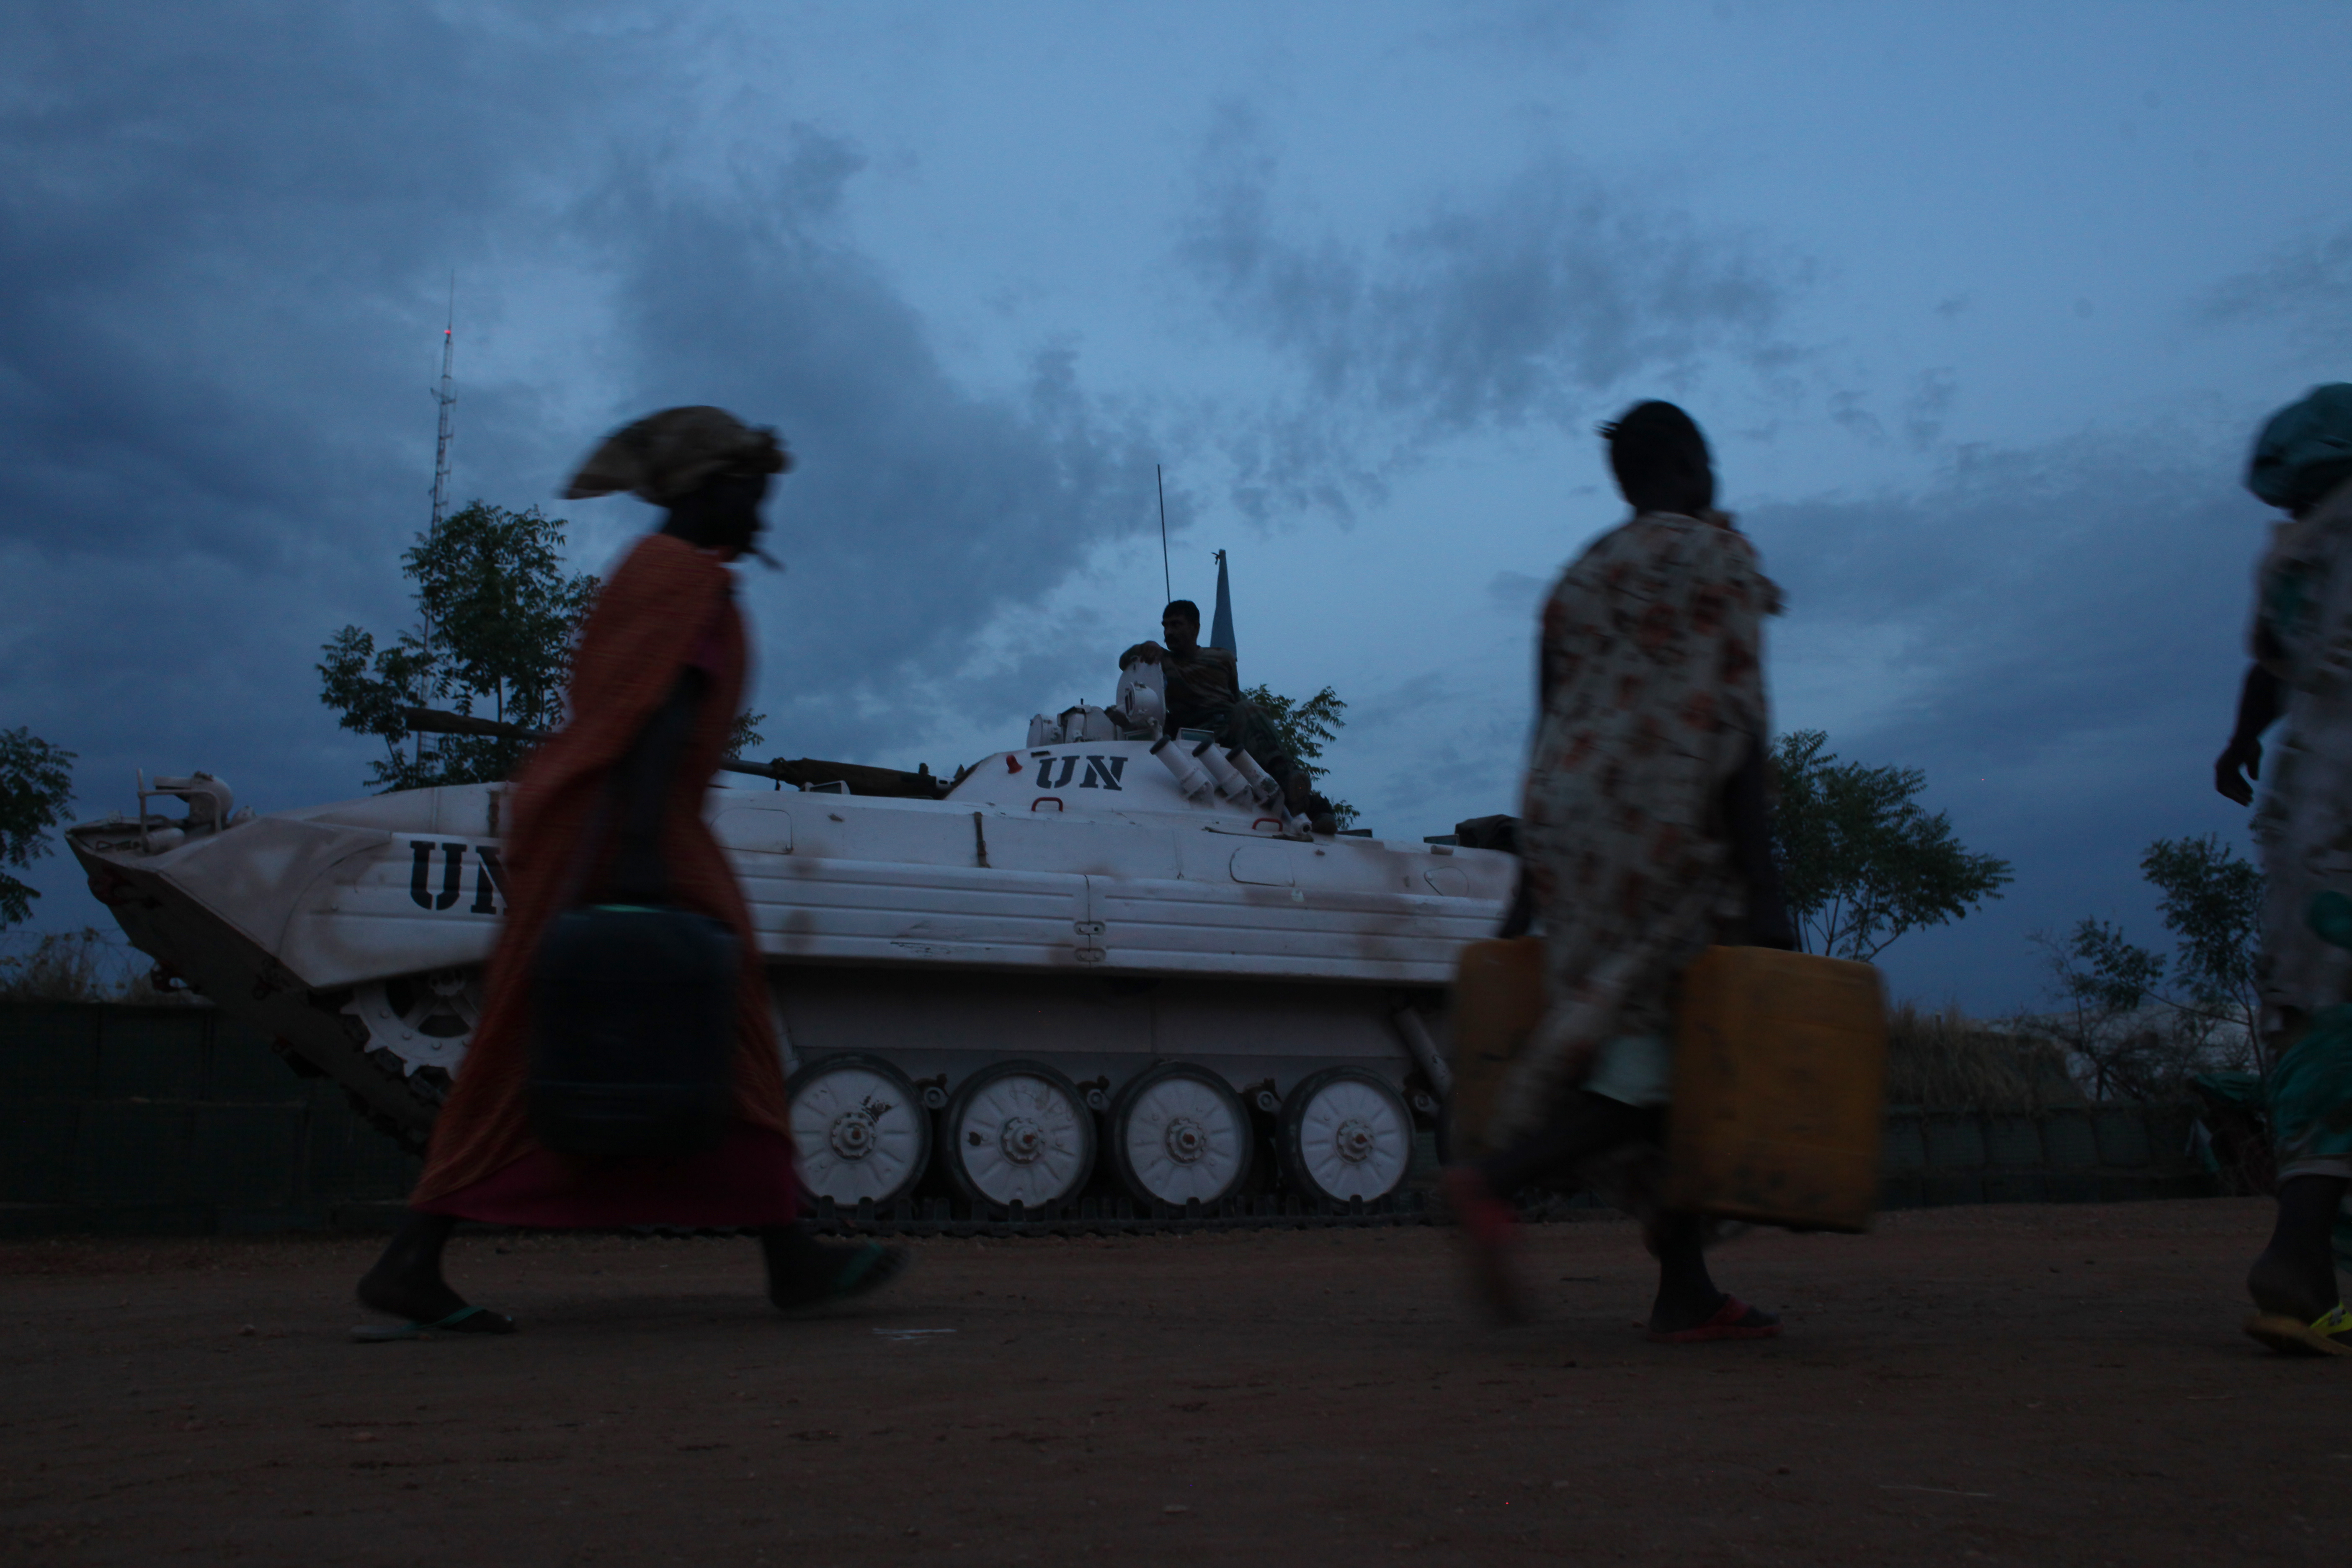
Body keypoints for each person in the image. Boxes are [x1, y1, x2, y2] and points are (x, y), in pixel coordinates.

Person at [354, 406, 907, 1339]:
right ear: (707, 488)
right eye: (751, 492)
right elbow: (657, 717)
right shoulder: (685, 581)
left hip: (601, 823)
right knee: (683, 1030)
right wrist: (646, 856)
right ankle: (789, 1259)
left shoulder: (658, 574)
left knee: (566, 1042)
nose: (762, 513)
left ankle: (788, 1252)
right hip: (624, 828)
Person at [1442, 400, 1792, 1340]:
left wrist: (1527, 884)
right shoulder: (1718, 559)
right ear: (1689, 467)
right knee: (1659, 1066)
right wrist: (1763, 881)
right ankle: (1494, 1182)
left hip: (1575, 835)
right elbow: (1734, 723)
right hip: (1668, 827)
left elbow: (1545, 731)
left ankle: (1685, 1290)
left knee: (1635, 1040)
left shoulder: (1576, 581)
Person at [2216, 384, 2352, 1356]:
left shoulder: (2292, 553)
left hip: (2305, 810)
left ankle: (2304, 1263)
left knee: (2317, 1025)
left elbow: (2266, 670)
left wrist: (2234, 745)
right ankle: (2301, 1253)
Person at [1119, 600, 1300, 789]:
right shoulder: (1161, 663)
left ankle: (1292, 783)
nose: (1168, 632)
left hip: (1230, 729)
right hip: (1195, 735)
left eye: (1176, 624)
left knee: (1249, 709)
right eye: (1165, 626)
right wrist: (1143, 647)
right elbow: (1125, 664)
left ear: (1195, 627)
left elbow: (1235, 697)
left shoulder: (1223, 658)